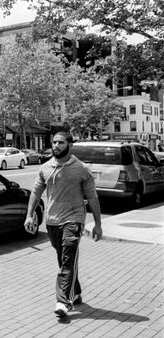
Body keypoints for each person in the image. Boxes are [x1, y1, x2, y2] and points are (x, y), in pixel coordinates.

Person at [24, 131, 103, 318]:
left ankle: (62, 302)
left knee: (68, 258)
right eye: (54, 142)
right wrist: (29, 216)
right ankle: (74, 293)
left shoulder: (81, 169)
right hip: (52, 221)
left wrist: (98, 224)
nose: (56, 146)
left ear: (70, 145)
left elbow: (92, 197)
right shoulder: (45, 168)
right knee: (64, 259)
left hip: (73, 220)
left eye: (60, 143)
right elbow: (35, 193)